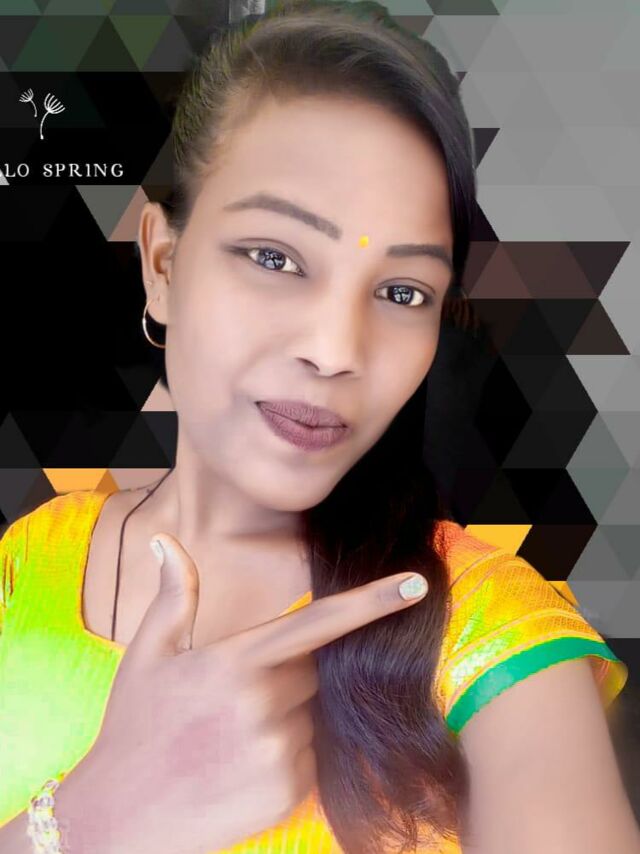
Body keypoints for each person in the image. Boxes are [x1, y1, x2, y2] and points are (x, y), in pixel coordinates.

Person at [0, 1, 637, 852]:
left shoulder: (489, 634)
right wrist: (95, 820)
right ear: (162, 265)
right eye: (275, 257)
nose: (336, 351)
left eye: (403, 292)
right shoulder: (32, 560)